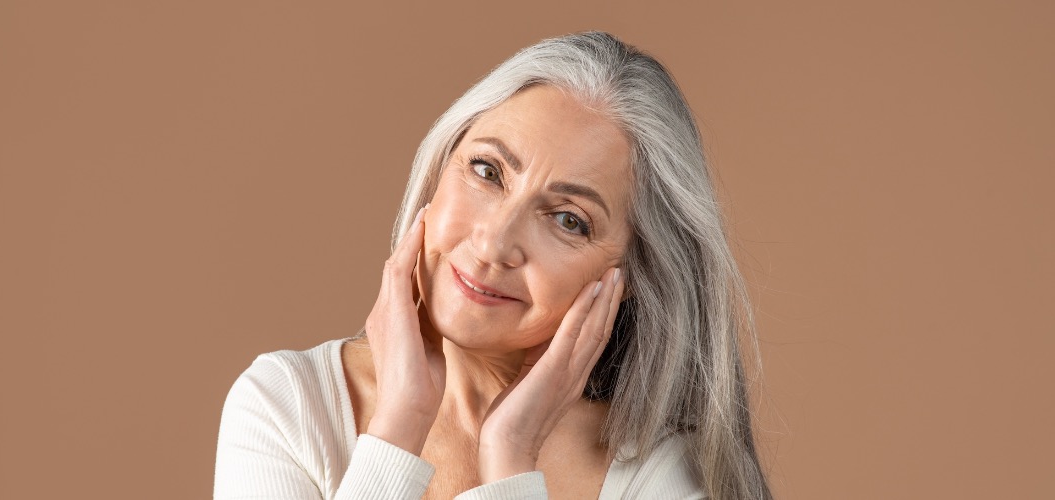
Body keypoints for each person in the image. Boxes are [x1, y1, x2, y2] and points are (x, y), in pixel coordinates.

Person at [214, 31, 772, 500]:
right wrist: (398, 426)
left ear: (627, 281)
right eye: (487, 171)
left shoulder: (655, 476)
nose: (494, 244)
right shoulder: (286, 405)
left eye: (569, 220)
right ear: (439, 166)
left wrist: (510, 456)